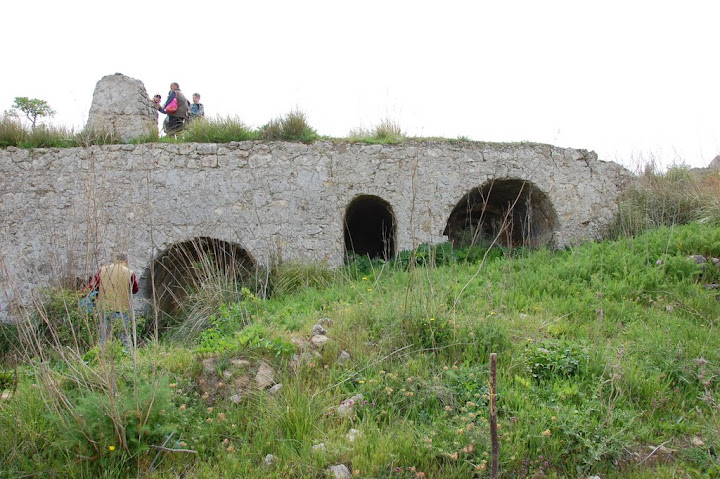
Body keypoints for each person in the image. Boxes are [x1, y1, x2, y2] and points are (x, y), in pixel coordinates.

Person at [88, 253, 139, 348]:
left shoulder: (103, 270)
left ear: (115, 260)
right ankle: (128, 356)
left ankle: (101, 355)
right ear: (126, 261)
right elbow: (135, 289)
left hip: (104, 307)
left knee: (103, 337)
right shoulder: (129, 272)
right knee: (125, 336)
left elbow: (92, 286)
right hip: (121, 309)